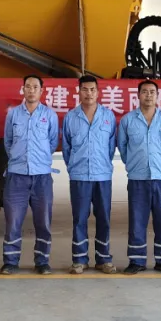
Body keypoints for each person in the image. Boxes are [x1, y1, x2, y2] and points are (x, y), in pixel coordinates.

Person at [117, 80, 161, 275]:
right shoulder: (128, 120)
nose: (149, 95)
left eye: (152, 92)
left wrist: (160, 163)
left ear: (158, 96)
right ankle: (137, 261)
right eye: (145, 92)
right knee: (137, 221)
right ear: (138, 95)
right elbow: (123, 147)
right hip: (138, 179)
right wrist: (133, 163)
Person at [1, 75, 59, 275]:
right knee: (13, 221)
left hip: (42, 177)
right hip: (16, 176)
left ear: (41, 90)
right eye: (28, 86)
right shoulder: (13, 115)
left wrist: (39, 160)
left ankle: (42, 261)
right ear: (23, 90)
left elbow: (52, 143)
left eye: (35, 87)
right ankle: (10, 261)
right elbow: (8, 142)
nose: (31, 90)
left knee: (43, 222)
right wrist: (18, 159)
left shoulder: (49, 115)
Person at [62, 75, 118, 275]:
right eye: (85, 89)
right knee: (79, 218)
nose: (89, 93)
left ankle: (103, 259)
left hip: (102, 175)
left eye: (92, 89)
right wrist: (74, 166)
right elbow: (67, 148)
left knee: (104, 218)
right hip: (79, 176)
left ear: (98, 92)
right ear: (79, 92)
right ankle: (79, 259)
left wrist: (102, 164)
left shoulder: (108, 116)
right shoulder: (71, 117)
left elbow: (111, 147)